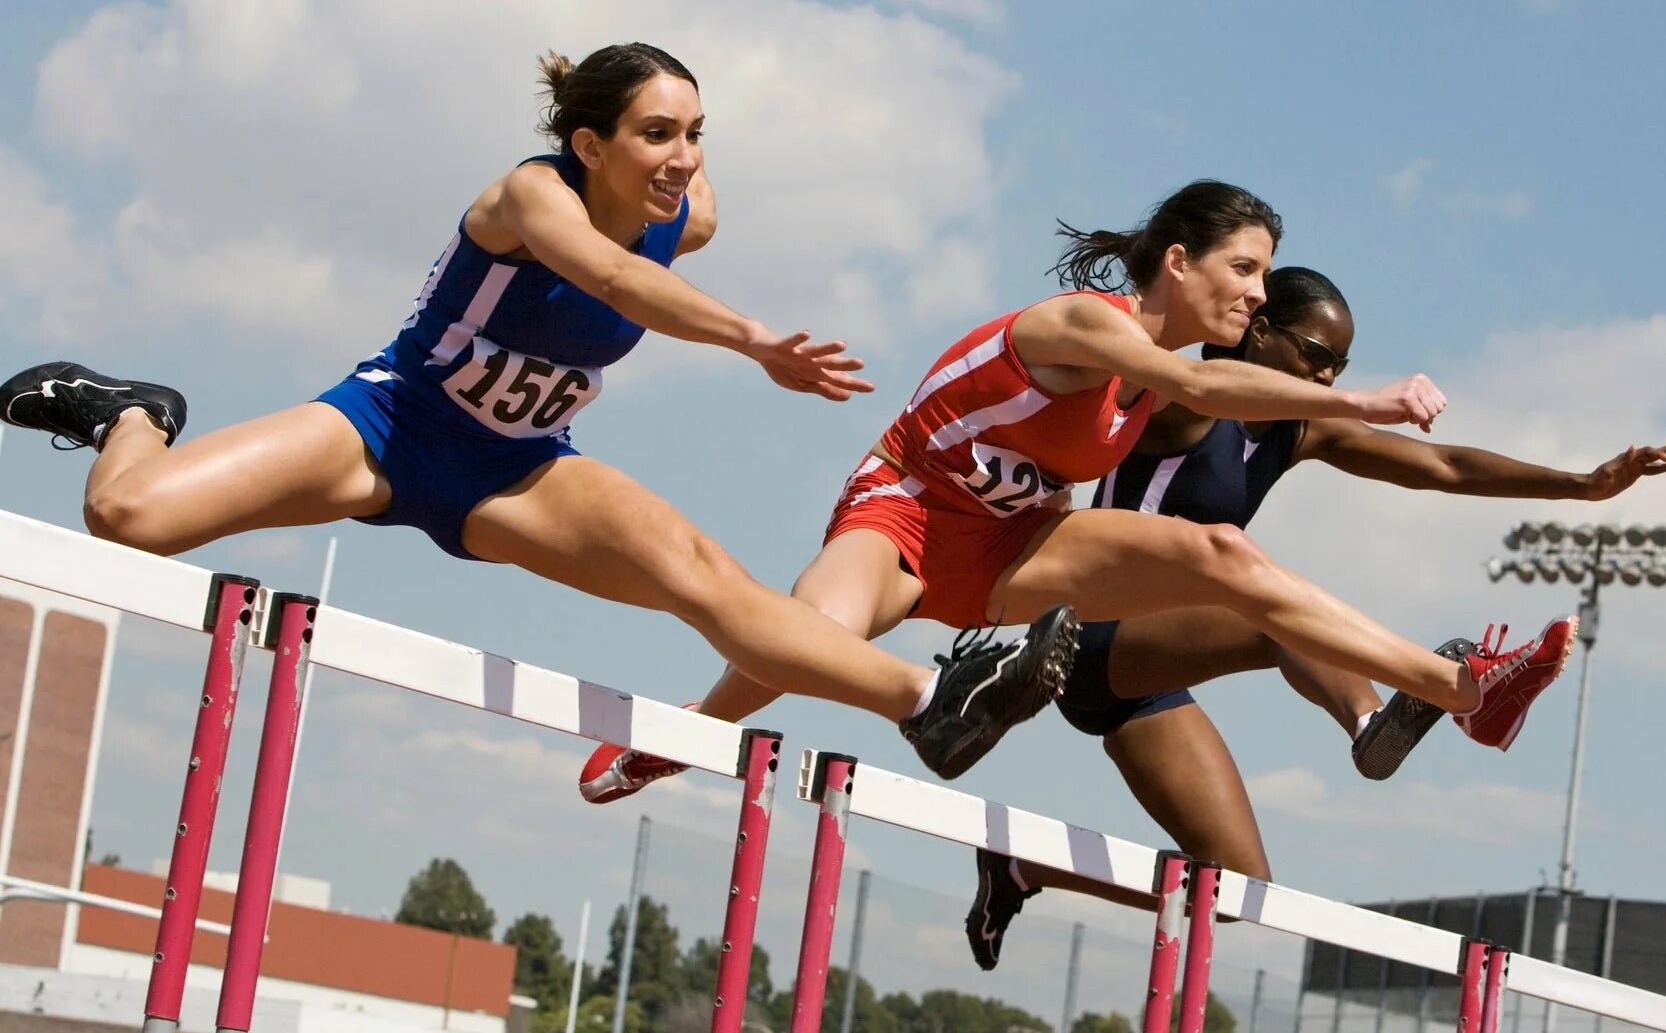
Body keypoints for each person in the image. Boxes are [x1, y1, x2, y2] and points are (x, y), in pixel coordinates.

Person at [1, 43, 1076, 779]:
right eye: (657, 134)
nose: (684, 159)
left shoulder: (685, 214)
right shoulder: (528, 196)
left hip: (517, 468)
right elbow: (611, 283)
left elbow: (651, 248)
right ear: (587, 141)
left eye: (696, 133)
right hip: (388, 426)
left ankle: (933, 699)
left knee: (707, 583)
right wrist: (754, 342)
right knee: (130, 520)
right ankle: (131, 410)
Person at [583, 182, 1575, 798]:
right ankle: (678, 737)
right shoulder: (1085, 325)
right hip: (908, 509)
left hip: (1015, 545)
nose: (1257, 295)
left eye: (1265, 278)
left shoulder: (1162, 367)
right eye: (1245, 268)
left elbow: (1207, 387)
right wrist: (1365, 400)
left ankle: (1462, 691)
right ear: (1176, 262)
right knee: (810, 633)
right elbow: (1197, 384)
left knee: (1222, 557)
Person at [957, 266, 1666, 965]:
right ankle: (1376, 722)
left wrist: (1582, 486)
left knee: (1239, 888)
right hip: (1090, 632)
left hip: (1142, 678)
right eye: (1316, 356)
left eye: (1340, 365)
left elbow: (1444, 466)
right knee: (1262, 591)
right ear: (1260, 330)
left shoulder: (1297, 429)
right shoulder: (1184, 401)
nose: (1328, 379)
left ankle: (1023, 868)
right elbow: (1149, 376)